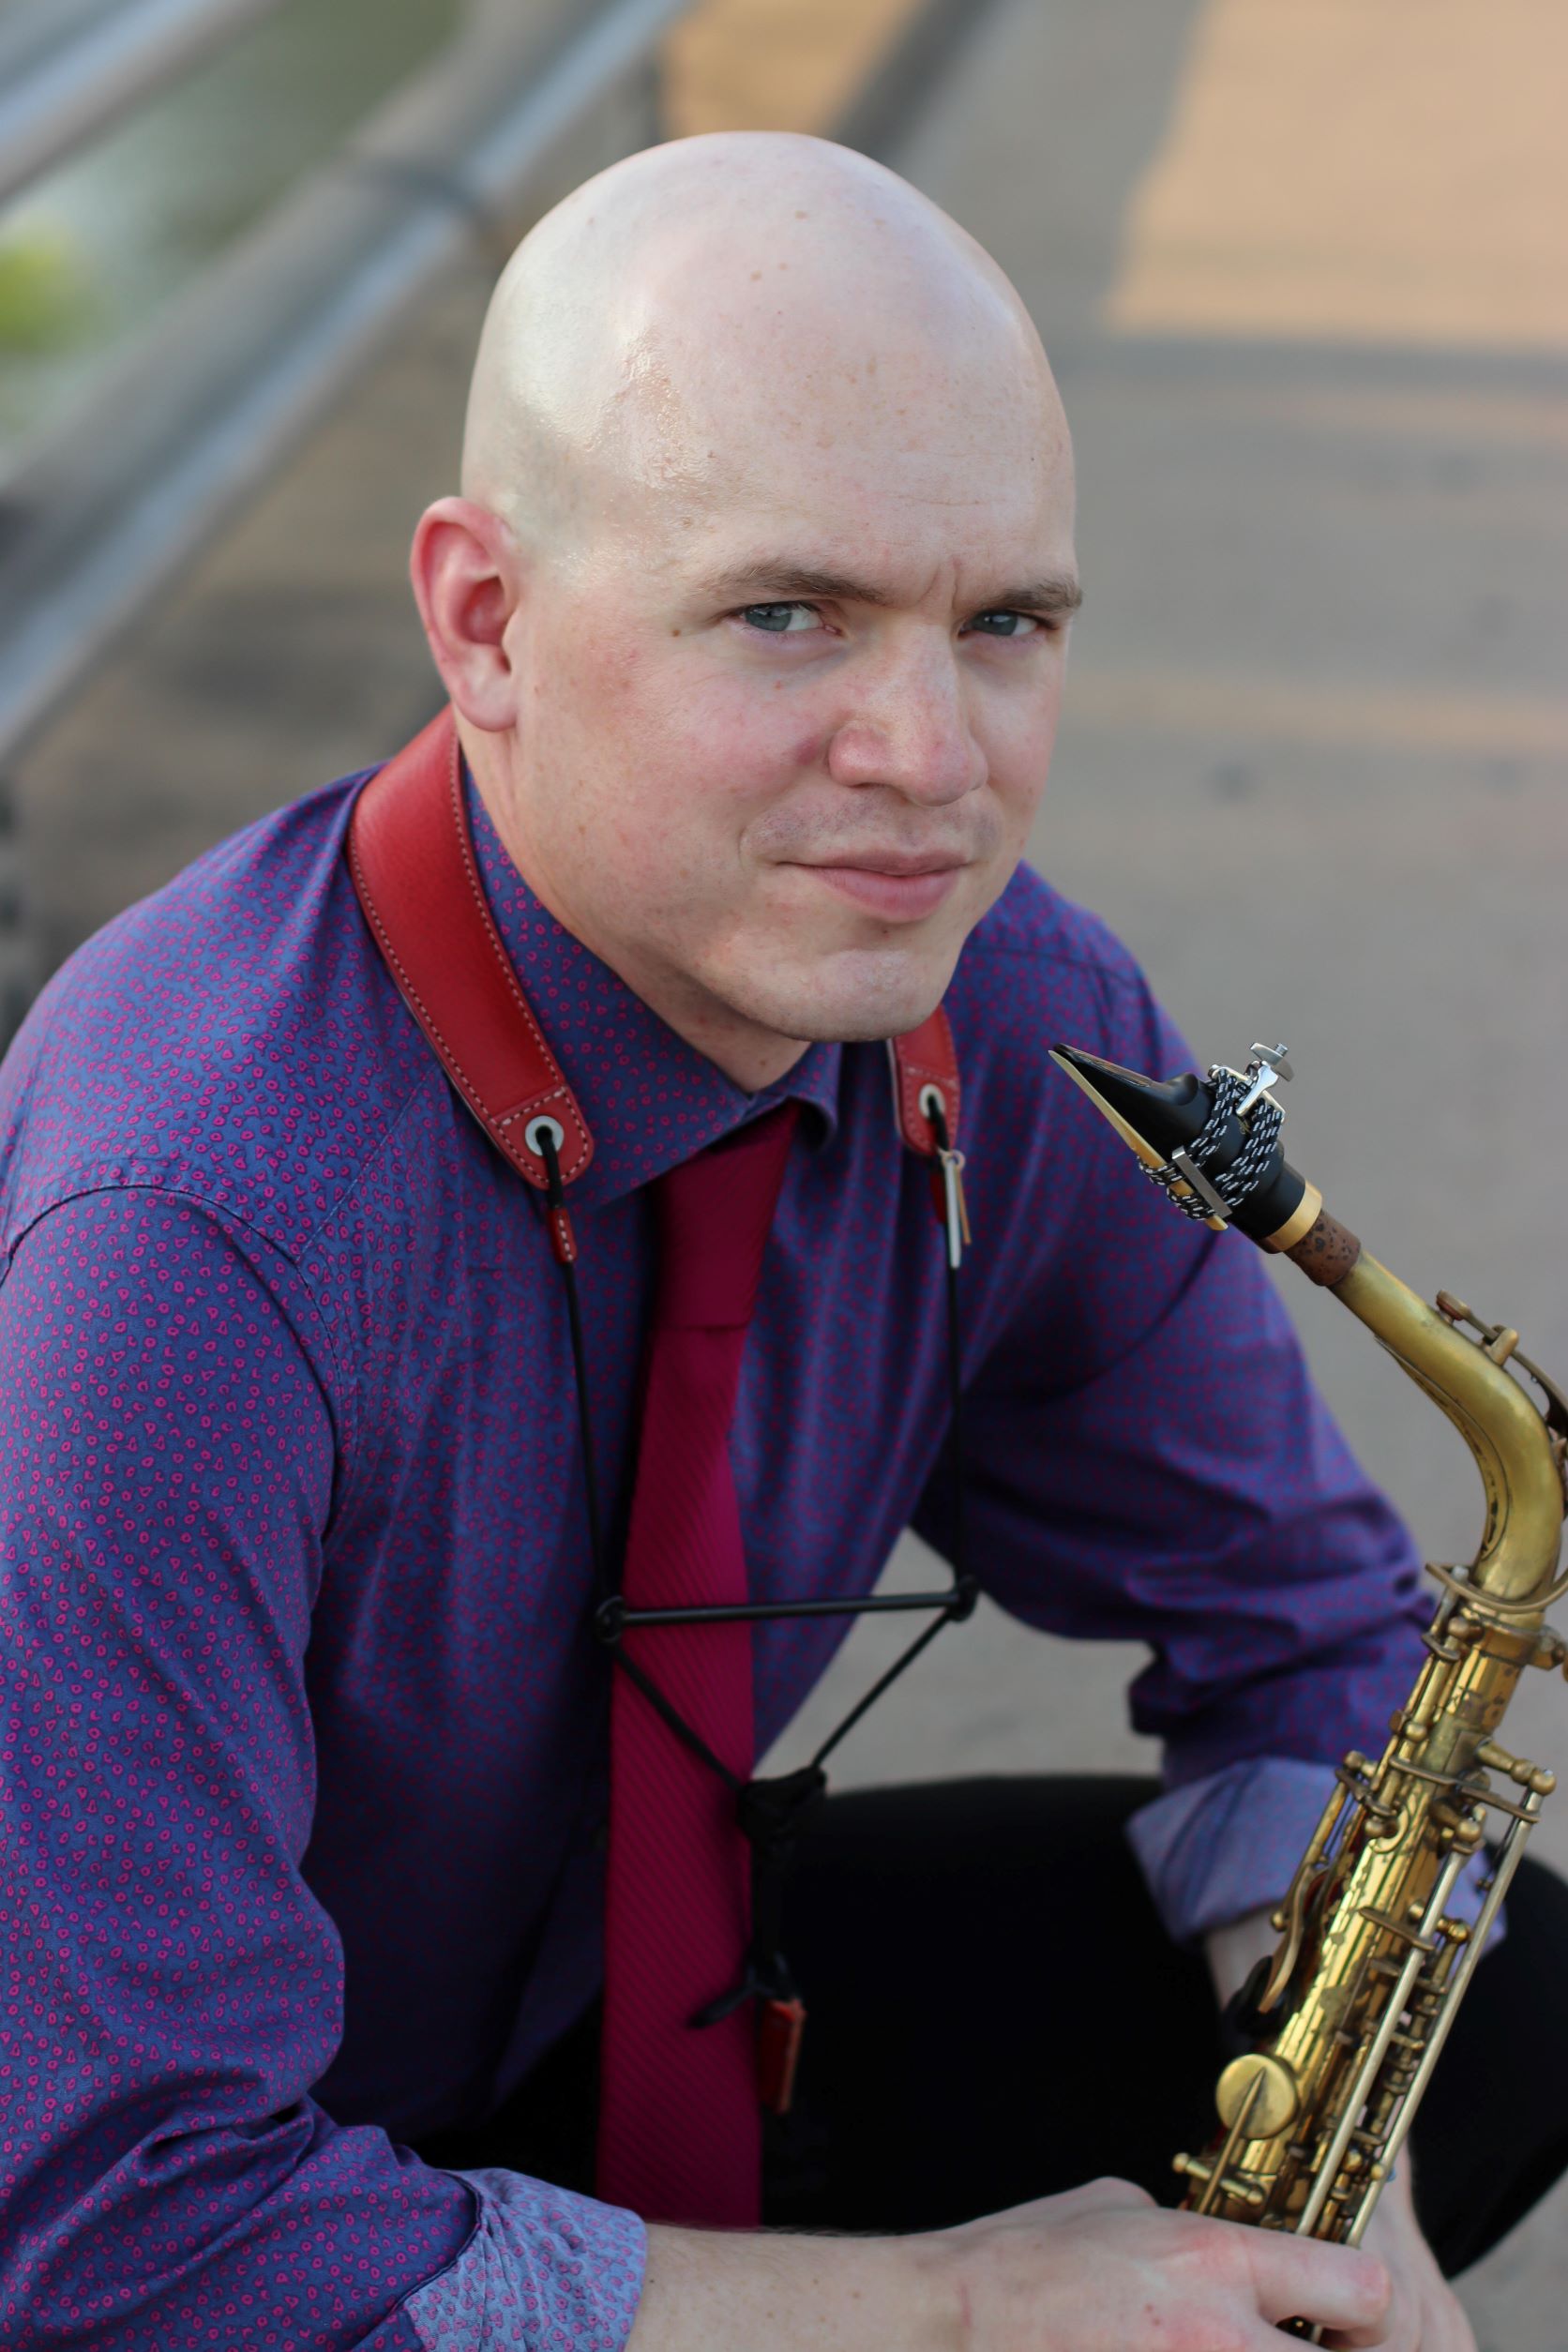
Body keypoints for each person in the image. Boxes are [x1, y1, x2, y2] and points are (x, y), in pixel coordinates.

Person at [0, 131, 1561, 2352]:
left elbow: (1292, 1624)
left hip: (599, 2008)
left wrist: (1351, 2227)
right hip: (199, 2174)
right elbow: (119, 2232)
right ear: (484, 621)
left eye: (1003, 623)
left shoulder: (1019, 1017)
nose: (927, 759)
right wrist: (939, 2309)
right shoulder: (185, 1233)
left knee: (1503, 2009)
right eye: (784, 614)